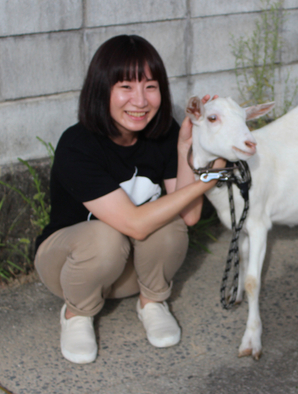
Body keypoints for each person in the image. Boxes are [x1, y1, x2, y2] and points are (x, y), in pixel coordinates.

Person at [34, 35, 223, 364]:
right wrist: (210, 179)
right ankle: (76, 314)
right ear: (101, 90)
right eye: (125, 87)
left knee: (171, 219)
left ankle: (152, 302)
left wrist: (183, 149)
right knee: (107, 234)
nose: (140, 101)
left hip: (128, 275)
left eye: (150, 86)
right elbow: (135, 225)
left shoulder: (163, 135)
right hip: (68, 269)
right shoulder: (77, 145)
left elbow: (190, 216)